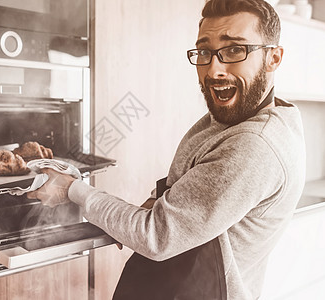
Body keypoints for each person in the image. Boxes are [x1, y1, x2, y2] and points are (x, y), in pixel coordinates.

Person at [27, 0, 306, 299]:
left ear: (273, 58)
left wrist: (72, 189)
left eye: (235, 50)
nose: (214, 69)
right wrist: (130, 215)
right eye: (204, 52)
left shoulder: (253, 145)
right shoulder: (247, 117)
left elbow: (157, 237)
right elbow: (190, 191)